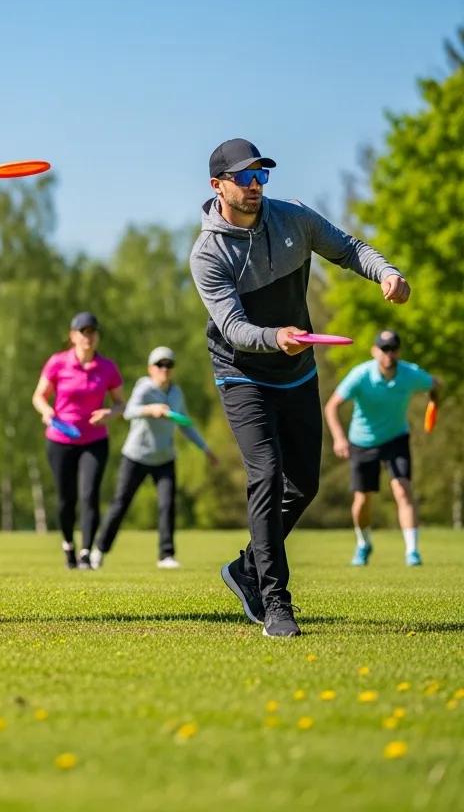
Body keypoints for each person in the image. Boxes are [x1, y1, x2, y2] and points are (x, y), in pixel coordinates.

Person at [189, 139, 410, 638]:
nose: (254, 187)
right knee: (265, 475)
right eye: (244, 178)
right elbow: (234, 328)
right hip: (241, 369)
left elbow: (349, 247)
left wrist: (386, 273)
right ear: (217, 186)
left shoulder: (294, 219)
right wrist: (275, 337)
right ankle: (274, 602)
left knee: (304, 483)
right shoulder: (208, 255)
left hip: (296, 370)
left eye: (261, 176)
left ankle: (246, 567)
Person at [92, 346, 218, 570]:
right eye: (160, 365)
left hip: (165, 458)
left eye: (169, 365)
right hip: (136, 456)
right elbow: (129, 411)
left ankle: (166, 555)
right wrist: (150, 410)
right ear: (151, 368)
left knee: (167, 505)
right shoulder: (144, 387)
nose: (164, 369)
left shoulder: (177, 393)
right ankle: (99, 550)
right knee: (120, 503)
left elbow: (185, 424)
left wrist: (205, 448)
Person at [324, 329, 439, 568]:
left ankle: (412, 552)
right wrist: (339, 439)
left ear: (398, 351)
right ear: (375, 351)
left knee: (402, 489)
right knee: (363, 500)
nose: (389, 354)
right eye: (384, 349)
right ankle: (364, 544)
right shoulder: (360, 375)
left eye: (393, 349)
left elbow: (435, 384)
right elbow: (332, 406)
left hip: (396, 438)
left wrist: (433, 406)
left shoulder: (410, 374)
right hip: (362, 441)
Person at [32, 313, 125, 570]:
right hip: (60, 439)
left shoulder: (107, 367)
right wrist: (46, 411)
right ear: (72, 336)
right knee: (66, 498)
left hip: (95, 440)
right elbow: (39, 396)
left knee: (89, 494)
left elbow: (121, 404)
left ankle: (85, 552)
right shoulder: (58, 363)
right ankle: (68, 545)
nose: (88, 336)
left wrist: (110, 413)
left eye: (92, 331)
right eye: (83, 331)